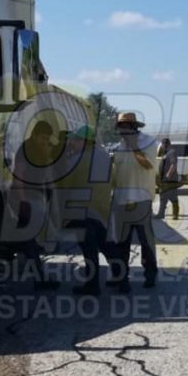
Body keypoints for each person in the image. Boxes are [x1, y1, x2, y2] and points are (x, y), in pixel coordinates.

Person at [58, 125, 113, 296]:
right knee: (105, 245)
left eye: (75, 139)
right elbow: (114, 179)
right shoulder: (105, 156)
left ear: (84, 141)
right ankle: (122, 277)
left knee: (89, 250)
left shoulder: (74, 160)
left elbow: (63, 186)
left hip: (81, 211)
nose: (71, 142)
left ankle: (92, 285)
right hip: (101, 209)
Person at [106, 112, 159, 292]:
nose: (122, 132)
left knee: (146, 241)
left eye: (124, 128)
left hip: (141, 200)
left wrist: (135, 147)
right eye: (120, 129)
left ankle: (150, 274)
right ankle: (122, 279)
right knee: (121, 243)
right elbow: (115, 175)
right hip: (121, 201)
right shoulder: (119, 147)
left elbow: (148, 165)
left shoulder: (149, 143)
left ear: (133, 127)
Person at [8, 120, 60, 290]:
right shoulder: (26, 150)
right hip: (26, 199)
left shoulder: (41, 149)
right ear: (35, 134)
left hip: (37, 198)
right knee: (30, 241)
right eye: (43, 138)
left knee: (29, 240)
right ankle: (40, 277)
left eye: (47, 139)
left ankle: (33, 272)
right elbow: (19, 177)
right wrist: (23, 202)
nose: (45, 141)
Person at [155, 138, 180, 220]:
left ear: (165, 144)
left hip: (170, 180)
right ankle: (161, 214)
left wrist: (169, 173)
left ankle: (175, 214)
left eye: (162, 145)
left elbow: (174, 164)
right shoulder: (167, 153)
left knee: (173, 197)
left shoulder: (172, 152)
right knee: (163, 197)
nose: (161, 146)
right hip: (165, 180)